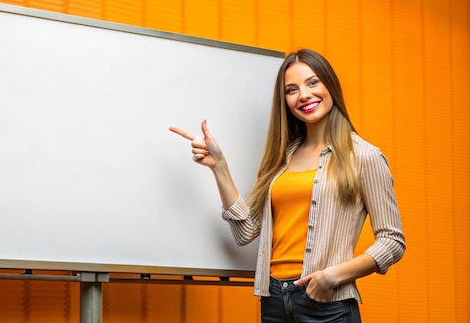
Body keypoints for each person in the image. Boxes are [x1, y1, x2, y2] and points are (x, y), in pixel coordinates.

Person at [169, 48, 405, 323]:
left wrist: (333, 275)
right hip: (274, 302)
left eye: (313, 82)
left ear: (331, 85)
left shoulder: (363, 156)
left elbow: (392, 241)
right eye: (292, 89)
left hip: (327, 304)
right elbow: (246, 231)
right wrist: (219, 166)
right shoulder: (283, 159)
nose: (304, 95)